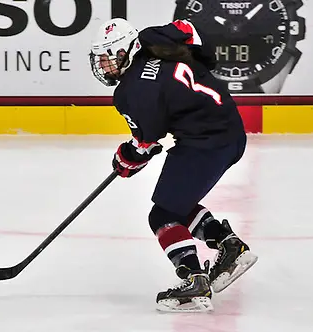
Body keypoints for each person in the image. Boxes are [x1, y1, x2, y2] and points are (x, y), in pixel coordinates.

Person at [89, 18, 258, 312]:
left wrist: (124, 160)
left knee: (162, 215)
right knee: (176, 203)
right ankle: (229, 246)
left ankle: (195, 282)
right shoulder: (157, 40)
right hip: (225, 130)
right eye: (101, 58)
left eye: (109, 57)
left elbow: (146, 143)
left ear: (127, 50)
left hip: (207, 142)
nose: (104, 65)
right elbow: (190, 30)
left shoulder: (131, 91)